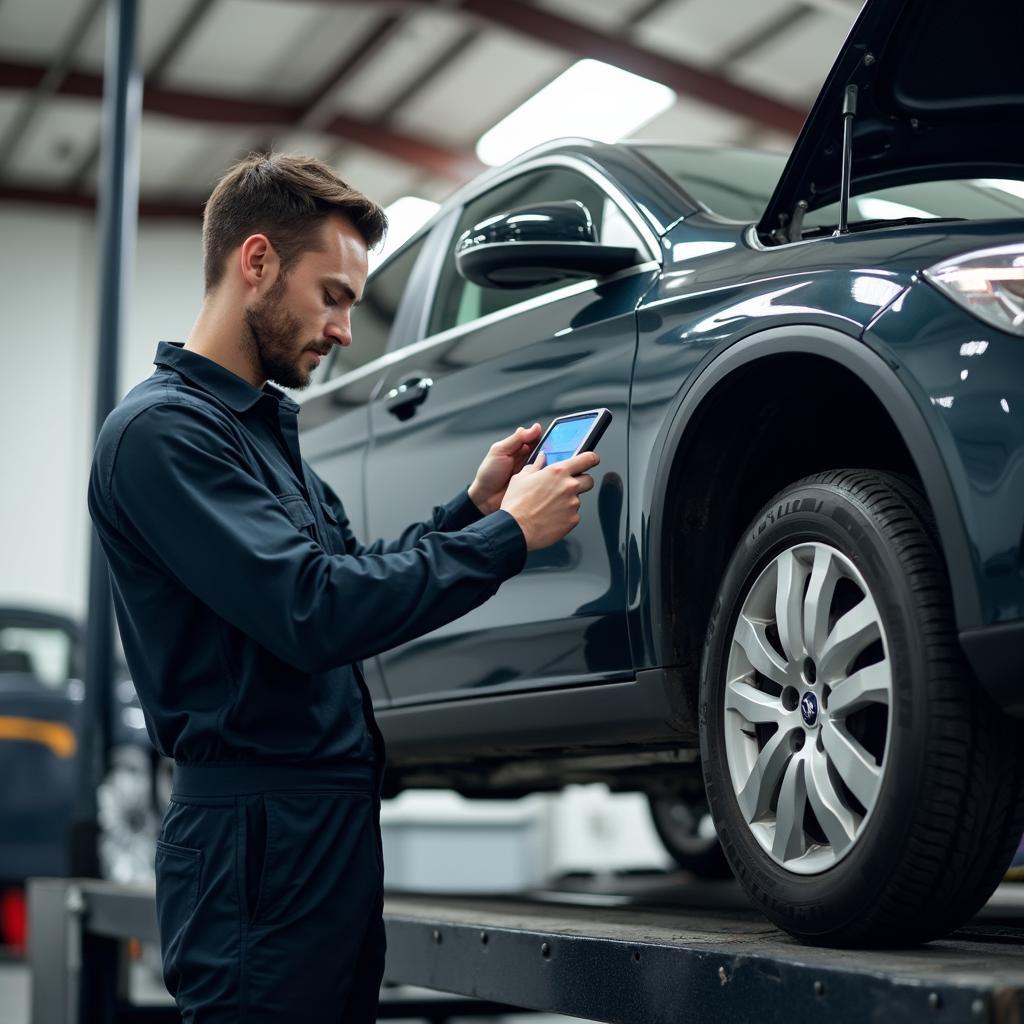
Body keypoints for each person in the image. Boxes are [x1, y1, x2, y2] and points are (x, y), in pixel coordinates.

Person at [86, 152, 598, 1023]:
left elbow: (349, 574)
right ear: (257, 263)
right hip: (254, 845)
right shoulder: (163, 437)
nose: (346, 331)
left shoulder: (259, 437)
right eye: (334, 296)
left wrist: (473, 507)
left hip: (320, 835)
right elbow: (314, 612)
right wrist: (510, 537)